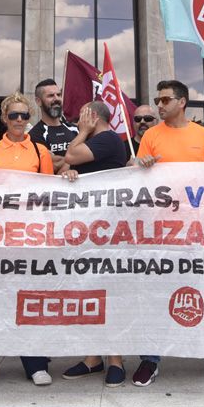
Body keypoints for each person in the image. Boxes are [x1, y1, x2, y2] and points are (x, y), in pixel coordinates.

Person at [129, 80, 204, 386]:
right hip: (161, 230)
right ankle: (150, 358)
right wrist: (138, 164)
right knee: (156, 294)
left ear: (182, 102)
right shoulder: (152, 136)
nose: (159, 105)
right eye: (157, 99)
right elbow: (134, 173)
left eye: (165, 99)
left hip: (200, 231)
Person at [0, 92, 56, 389]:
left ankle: (35, 363)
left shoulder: (40, 151)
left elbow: (49, 194)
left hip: (29, 236)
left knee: (28, 298)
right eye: (14, 115)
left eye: (24, 115)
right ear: (4, 118)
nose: (19, 120)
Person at [59, 101, 133, 387]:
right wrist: (69, 173)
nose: (78, 121)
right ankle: (93, 357)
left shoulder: (108, 139)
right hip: (89, 230)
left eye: (81, 117)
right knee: (89, 291)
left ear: (91, 117)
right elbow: (68, 164)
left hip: (109, 230)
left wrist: (83, 132)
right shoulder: (95, 142)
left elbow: (71, 154)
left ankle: (115, 359)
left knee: (110, 292)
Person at [28, 78, 77, 170]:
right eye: (50, 96)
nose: (57, 99)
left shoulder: (76, 129)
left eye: (58, 95)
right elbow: (50, 166)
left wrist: (63, 161)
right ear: (38, 101)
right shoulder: (34, 135)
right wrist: (78, 158)